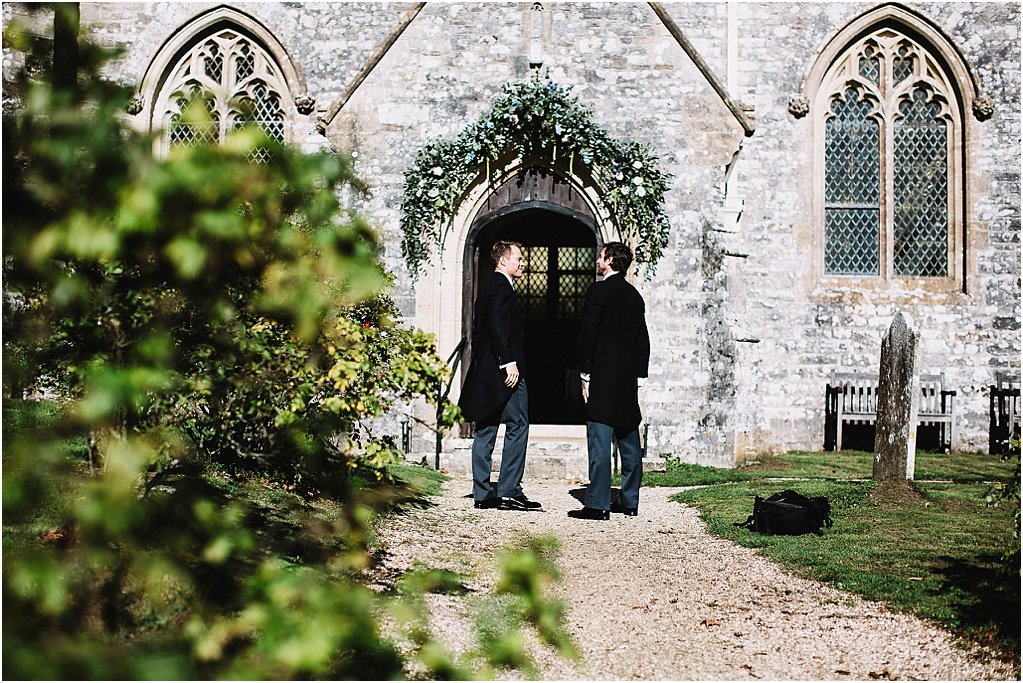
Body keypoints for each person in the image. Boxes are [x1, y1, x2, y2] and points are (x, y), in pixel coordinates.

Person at [569, 241, 650, 521]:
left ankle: (598, 503)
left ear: (611, 260)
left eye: (602, 256)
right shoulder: (634, 296)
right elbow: (643, 339)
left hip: (602, 372)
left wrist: (584, 372)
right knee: (628, 436)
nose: (598, 260)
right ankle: (629, 501)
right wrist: (639, 376)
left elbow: (588, 333)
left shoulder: (598, 291)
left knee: (600, 438)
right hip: (626, 374)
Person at [458, 240, 541, 511]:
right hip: (505, 372)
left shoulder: (489, 287)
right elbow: (497, 326)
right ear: (503, 260)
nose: (523, 263)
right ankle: (508, 491)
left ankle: (482, 494)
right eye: (519, 258)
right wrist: (509, 362)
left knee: (487, 428)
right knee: (518, 426)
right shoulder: (502, 287)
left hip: (487, 373)